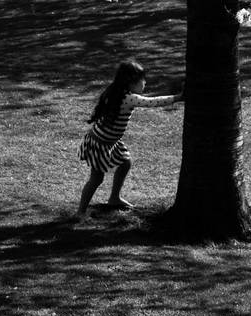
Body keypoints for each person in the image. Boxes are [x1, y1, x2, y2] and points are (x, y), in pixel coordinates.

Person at [77, 58, 180, 215]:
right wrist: (177, 98)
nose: (144, 83)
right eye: (142, 80)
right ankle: (80, 212)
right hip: (100, 143)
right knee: (96, 179)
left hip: (107, 141)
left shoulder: (116, 91)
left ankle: (114, 198)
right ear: (131, 82)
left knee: (125, 162)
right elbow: (152, 102)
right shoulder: (128, 98)